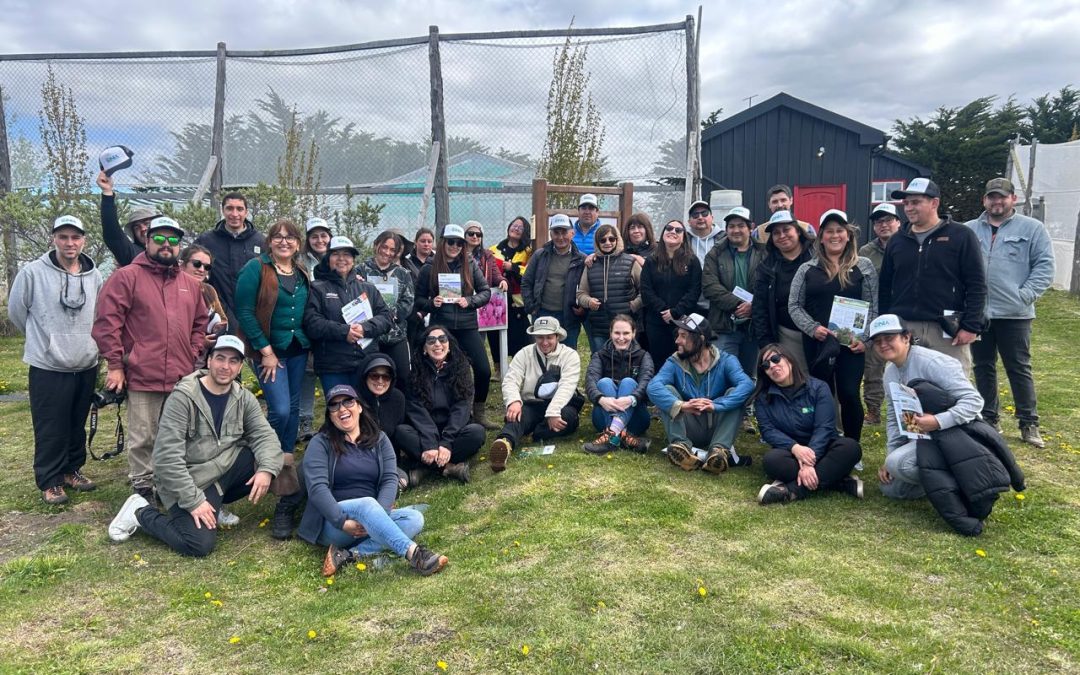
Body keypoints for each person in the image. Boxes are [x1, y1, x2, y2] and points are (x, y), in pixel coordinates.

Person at [106, 335, 283, 556]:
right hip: (188, 479)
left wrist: (266, 470)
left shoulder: (244, 398)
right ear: (208, 361)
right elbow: (166, 459)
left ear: (240, 368)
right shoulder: (183, 397)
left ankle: (215, 505)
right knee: (198, 544)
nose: (225, 367)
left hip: (220, 469)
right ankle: (140, 512)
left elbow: (265, 436)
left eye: (233, 361)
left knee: (271, 462)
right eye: (220, 358)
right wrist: (193, 501)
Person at [868, 314, 1024, 536]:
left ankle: (964, 482)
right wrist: (889, 454)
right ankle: (938, 483)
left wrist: (938, 422)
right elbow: (896, 418)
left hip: (957, 437)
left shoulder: (933, 363)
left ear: (906, 337)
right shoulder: (890, 372)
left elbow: (974, 402)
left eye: (889, 337)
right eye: (877, 340)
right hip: (924, 439)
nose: (883, 344)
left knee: (899, 465)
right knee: (892, 489)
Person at [93, 216, 208, 502]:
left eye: (173, 240)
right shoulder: (126, 277)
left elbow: (200, 323)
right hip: (142, 372)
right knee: (143, 436)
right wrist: (116, 365)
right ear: (146, 240)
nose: (166, 245)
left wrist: (192, 352)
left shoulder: (189, 284)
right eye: (159, 239)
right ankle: (143, 488)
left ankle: (170, 482)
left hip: (181, 375)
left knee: (179, 434)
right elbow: (107, 324)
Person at [298, 384, 448, 577]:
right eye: (334, 406)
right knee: (368, 505)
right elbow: (317, 489)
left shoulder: (380, 439)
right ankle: (415, 554)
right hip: (333, 522)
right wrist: (342, 521)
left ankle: (348, 556)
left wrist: (381, 514)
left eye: (348, 401)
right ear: (330, 415)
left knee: (414, 519)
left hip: (371, 516)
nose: (342, 409)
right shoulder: (320, 443)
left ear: (359, 406)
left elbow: (388, 478)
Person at [9, 215, 103, 505]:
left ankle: (72, 470)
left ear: (84, 240)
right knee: (50, 425)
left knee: (77, 422)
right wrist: (44, 340)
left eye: (75, 237)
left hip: (86, 363)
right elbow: (16, 312)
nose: (69, 243)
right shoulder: (33, 273)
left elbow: (100, 315)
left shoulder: (94, 275)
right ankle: (50, 480)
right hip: (49, 366)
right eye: (63, 237)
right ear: (54, 239)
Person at [965, 177, 1055, 447]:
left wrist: (1024, 296)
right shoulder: (969, 230)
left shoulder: (1033, 229)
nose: (996, 201)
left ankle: (1029, 422)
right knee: (983, 367)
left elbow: (1045, 267)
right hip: (979, 313)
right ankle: (990, 418)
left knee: (1019, 368)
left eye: (1002, 197)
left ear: (1012, 199)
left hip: (1015, 314)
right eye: (991, 197)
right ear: (984, 200)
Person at [878, 178, 986, 375]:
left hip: (947, 330)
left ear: (934, 203)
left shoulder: (961, 235)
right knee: (904, 388)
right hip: (905, 328)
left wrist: (971, 325)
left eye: (916, 202)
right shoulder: (896, 241)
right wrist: (886, 325)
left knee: (950, 391)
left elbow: (977, 284)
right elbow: (885, 286)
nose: (909, 208)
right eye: (906, 203)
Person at [788, 209, 878, 442]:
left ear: (848, 235)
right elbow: (794, 306)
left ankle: (851, 445)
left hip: (851, 344)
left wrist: (866, 339)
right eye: (829, 231)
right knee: (822, 393)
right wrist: (813, 328)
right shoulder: (807, 269)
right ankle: (825, 440)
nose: (835, 235)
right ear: (821, 236)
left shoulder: (864, 266)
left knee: (849, 393)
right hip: (818, 343)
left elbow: (873, 307)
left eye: (840, 231)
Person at [752, 343, 864, 505]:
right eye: (766, 365)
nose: (773, 366)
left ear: (789, 359)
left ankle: (790, 491)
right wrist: (795, 448)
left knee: (851, 447)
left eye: (776, 359)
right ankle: (837, 480)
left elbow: (824, 427)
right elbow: (768, 431)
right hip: (791, 452)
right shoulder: (763, 398)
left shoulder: (818, 387)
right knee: (771, 460)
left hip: (825, 448)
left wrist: (809, 461)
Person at [647, 313, 754, 474]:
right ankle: (681, 447)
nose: (677, 341)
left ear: (701, 339)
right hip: (689, 425)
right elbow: (653, 387)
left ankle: (718, 452)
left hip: (718, 426)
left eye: (683, 336)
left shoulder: (726, 360)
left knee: (735, 393)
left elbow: (747, 385)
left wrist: (716, 405)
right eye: (678, 335)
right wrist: (682, 405)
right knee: (667, 392)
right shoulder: (674, 361)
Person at [414, 224, 495, 428]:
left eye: (460, 242)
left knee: (483, 370)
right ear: (442, 242)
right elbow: (418, 300)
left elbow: (485, 291)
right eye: (451, 241)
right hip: (442, 327)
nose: (455, 246)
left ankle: (479, 411)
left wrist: (471, 301)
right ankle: (450, 413)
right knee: (446, 371)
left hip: (467, 325)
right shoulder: (429, 267)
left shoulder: (469, 263)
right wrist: (432, 303)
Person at [487, 316, 585, 472]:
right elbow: (511, 380)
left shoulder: (570, 355)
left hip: (561, 405)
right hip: (533, 403)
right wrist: (513, 401)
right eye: (540, 337)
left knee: (568, 419)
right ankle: (504, 443)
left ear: (557, 337)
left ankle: (533, 433)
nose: (545, 342)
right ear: (534, 337)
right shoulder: (524, 353)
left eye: (549, 337)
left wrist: (553, 411)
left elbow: (567, 385)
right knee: (516, 416)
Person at [304, 236, 393, 394]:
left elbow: (386, 317)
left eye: (347, 254)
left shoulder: (367, 288)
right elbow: (312, 323)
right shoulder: (317, 288)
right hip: (333, 365)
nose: (341, 259)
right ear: (328, 259)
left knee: (366, 412)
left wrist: (364, 328)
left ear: (353, 259)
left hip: (366, 363)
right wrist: (344, 331)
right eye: (336, 254)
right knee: (340, 410)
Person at [400, 325, 485, 486]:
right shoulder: (415, 373)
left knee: (477, 433)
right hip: (424, 432)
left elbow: (462, 408)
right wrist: (430, 444)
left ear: (449, 345)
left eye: (442, 339)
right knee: (401, 432)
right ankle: (449, 467)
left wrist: (446, 443)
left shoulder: (462, 368)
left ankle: (425, 468)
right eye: (431, 341)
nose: (437, 344)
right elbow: (416, 411)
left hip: (454, 431)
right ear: (424, 348)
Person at [702, 206, 767, 401]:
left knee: (748, 373)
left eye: (741, 225)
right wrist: (740, 305)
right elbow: (710, 286)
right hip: (724, 324)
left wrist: (753, 307)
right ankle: (722, 411)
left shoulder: (764, 253)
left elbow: (770, 285)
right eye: (731, 226)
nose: (736, 230)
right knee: (721, 370)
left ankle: (745, 412)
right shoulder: (715, 253)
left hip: (752, 326)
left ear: (750, 227)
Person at [751, 210, 814, 374]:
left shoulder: (818, 257)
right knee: (795, 380)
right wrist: (766, 344)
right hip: (787, 334)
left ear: (798, 231)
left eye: (786, 230)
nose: (782, 235)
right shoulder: (766, 267)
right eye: (776, 233)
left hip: (819, 332)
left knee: (825, 384)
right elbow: (760, 307)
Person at [193, 192, 266, 330]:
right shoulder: (207, 240)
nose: (234, 214)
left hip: (253, 313)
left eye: (239, 209)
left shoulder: (260, 241)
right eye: (229, 208)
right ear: (223, 210)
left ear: (246, 212)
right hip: (218, 312)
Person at [583, 314, 654, 454]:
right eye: (617, 333)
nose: (621, 338)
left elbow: (646, 382)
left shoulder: (643, 356)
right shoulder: (600, 355)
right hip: (603, 416)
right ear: (610, 333)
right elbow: (590, 380)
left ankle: (611, 435)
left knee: (628, 383)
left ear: (633, 333)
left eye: (626, 333)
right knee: (604, 382)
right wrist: (601, 399)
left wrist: (631, 399)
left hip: (636, 418)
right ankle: (623, 436)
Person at [859, 203, 902, 424]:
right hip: (876, 318)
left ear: (898, 222)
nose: (883, 225)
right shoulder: (865, 252)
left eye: (888, 220)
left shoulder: (909, 246)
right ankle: (873, 409)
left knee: (905, 363)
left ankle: (907, 409)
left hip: (904, 316)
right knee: (873, 367)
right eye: (878, 222)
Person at [640, 219, 702, 369]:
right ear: (663, 234)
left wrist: (675, 312)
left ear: (684, 237)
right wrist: (663, 310)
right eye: (669, 228)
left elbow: (695, 290)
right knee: (658, 363)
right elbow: (646, 290)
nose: (672, 232)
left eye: (678, 230)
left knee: (683, 362)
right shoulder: (651, 261)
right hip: (656, 322)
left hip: (683, 322)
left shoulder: (692, 261)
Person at [359, 230, 416, 389]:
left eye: (392, 250)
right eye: (384, 247)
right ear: (376, 245)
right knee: (370, 379)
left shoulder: (403, 274)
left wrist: (386, 318)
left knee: (403, 378)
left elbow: (408, 302)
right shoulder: (360, 271)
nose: (387, 252)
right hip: (369, 337)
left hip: (395, 336)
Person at [521, 214, 586, 348]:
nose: (560, 237)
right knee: (542, 353)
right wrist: (530, 306)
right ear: (551, 234)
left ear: (572, 233)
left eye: (564, 232)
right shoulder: (539, 255)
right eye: (556, 232)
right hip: (542, 313)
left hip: (568, 316)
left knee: (567, 354)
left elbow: (587, 288)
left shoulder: (581, 259)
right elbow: (526, 282)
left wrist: (583, 308)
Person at [576, 224, 643, 353]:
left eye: (611, 239)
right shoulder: (591, 264)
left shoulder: (630, 262)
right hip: (599, 327)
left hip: (625, 327)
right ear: (597, 242)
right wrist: (588, 302)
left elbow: (645, 290)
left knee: (626, 363)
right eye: (603, 240)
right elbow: (581, 293)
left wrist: (634, 305)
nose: (607, 243)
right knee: (600, 364)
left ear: (617, 240)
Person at [299, 217, 334, 440]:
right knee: (308, 372)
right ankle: (305, 421)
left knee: (331, 373)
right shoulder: (300, 262)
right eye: (314, 236)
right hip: (307, 321)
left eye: (323, 235)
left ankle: (334, 420)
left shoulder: (339, 257)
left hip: (332, 323)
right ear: (308, 239)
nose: (319, 240)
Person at [463, 220, 508, 386]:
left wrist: (502, 281)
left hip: (482, 305)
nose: (475, 237)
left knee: (479, 342)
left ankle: (477, 375)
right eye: (471, 233)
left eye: (479, 234)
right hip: (463, 305)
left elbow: (496, 273)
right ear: (464, 235)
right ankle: (464, 376)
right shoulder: (457, 253)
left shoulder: (487, 255)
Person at [490, 216, 533, 360]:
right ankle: (498, 366)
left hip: (518, 301)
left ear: (525, 231)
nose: (516, 228)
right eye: (514, 225)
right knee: (495, 333)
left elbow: (530, 272)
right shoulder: (493, 249)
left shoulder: (528, 252)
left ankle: (518, 364)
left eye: (520, 227)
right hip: (498, 298)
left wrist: (513, 267)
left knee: (520, 334)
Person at [97, 170, 156, 267]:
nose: (143, 229)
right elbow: (113, 235)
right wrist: (107, 192)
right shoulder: (134, 254)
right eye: (137, 227)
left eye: (147, 223)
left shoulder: (171, 252)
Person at [685, 200, 724, 315]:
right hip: (690, 303)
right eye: (695, 215)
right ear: (689, 221)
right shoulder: (682, 241)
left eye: (704, 213)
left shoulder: (724, 239)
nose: (700, 217)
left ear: (712, 217)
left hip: (717, 303)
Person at [406, 227, 436, 345]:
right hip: (414, 311)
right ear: (415, 242)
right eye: (423, 241)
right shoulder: (407, 261)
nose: (426, 244)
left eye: (429, 241)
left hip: (434, 309)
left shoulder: (438, 260)